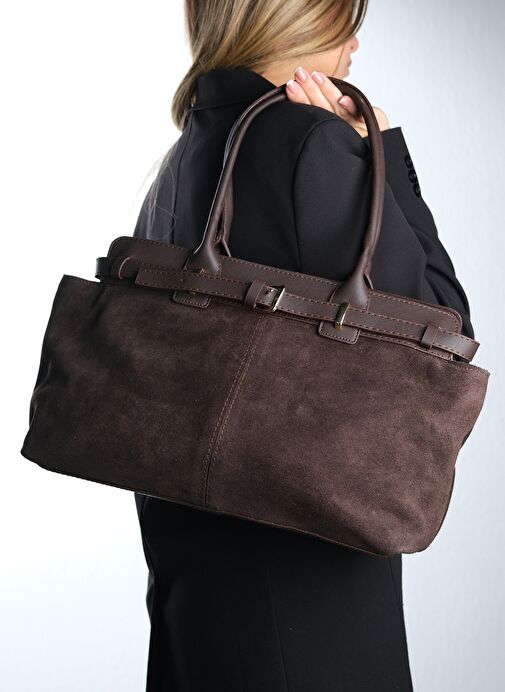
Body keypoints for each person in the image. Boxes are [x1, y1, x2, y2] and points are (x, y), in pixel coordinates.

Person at [132, 1, 474, 690]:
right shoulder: (311, 143)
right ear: (293, 25)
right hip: (303, 579)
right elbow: (443, 330)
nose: (354, 45)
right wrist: (383, 152)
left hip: (197, 576)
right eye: (342, 22)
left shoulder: (192, 145)